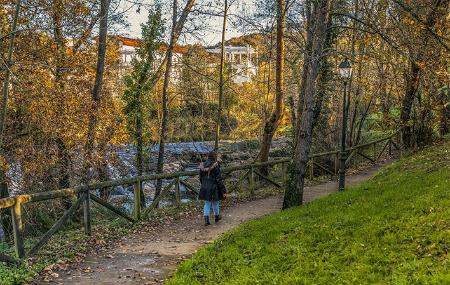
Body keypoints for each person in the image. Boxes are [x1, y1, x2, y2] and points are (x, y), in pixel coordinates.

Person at [199, 151, 227, 225]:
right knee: (215, 202)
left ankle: (206, 220)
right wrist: (223, 190)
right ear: (214, 157)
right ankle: (216, 217)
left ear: (208, 156)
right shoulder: (216, 165)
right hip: (214, 187)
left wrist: (203, 185)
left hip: (205, 186)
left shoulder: (203, 165)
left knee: (207, 203)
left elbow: (200, 178)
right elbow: (219, 179)